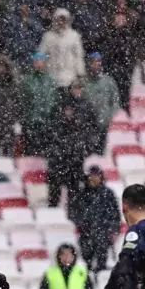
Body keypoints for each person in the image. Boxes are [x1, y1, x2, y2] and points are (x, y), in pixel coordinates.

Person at [46, 82, 100, 211]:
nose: (69, 113)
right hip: (60, 160)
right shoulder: (60, 115)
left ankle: (73, 212)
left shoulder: (84, 113)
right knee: (55, 190)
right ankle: (53, 212)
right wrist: (58, 151)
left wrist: (83, 149)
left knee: (74, 190)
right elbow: (53, 135)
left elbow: (92, 130)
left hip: (75, 159)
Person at [76, 166, 121, 272]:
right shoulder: (82, 194)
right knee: (87, 261)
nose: (94, 179)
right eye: (91, 176)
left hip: (103, 233)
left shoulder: (108, 193)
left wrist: (110, 228)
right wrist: (84, 225)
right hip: (86, 233)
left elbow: (115, 214)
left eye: (96, 176)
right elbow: (76, 213)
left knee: (102, 261)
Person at [17, 52, 59, 156]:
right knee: (31, 151)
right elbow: (22, 101)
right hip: (31, 122)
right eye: (37, 62)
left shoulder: (50, 81)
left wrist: (49, 116)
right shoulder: (27, 80)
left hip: (46, 123)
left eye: (41, 62)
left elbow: (54, 101)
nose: (39, 64)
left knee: (45, 152)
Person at [83, 53, 120, 153]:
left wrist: (109, 117)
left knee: (100, 152)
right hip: (88, 125)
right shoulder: (84, 82)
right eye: (94, 62)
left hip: (104, 124)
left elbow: (115, 102)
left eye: (98, 62)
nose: (97, 65)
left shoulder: (109, 82)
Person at [39, 8, 85, 88]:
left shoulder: (74, 36)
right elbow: (41, 53)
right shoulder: (48, 36)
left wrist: (80, 73)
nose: (61, 23)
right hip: (52, 76)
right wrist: (40, 63)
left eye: (64, 20)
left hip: (70, 76)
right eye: (59, 20)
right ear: (55, 20)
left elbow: (78, 56)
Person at [9, 0, 44, 72]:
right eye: (22, 7)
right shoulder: (13, 21)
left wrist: (39, 58)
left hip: (33, 58)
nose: (24, 9)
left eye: (26, 7)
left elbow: (40, 39)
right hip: (17, 57)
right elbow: (11, 39)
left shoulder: (34, 21)